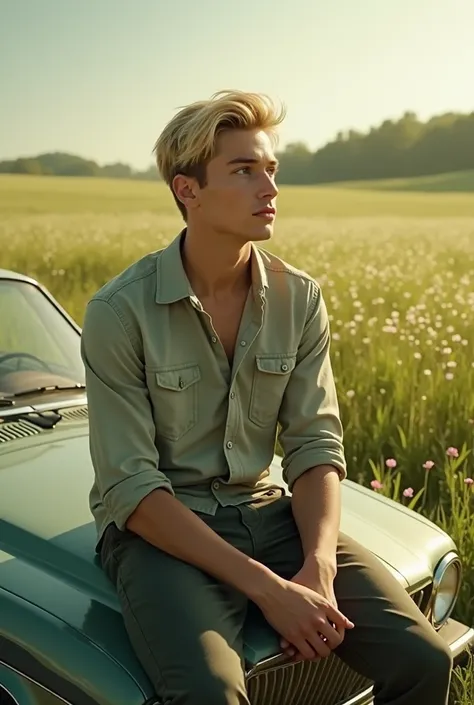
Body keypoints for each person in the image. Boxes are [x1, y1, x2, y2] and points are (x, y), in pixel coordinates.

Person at [81, 89, 453, 705]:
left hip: (269, 514)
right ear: (188, 191)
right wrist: (270, 591)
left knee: (424, 659)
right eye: (244, 170)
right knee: (209, 693)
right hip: (161, 535)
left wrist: (318, 568)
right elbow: (133, 491)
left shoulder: (299, 298)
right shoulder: (119, 311)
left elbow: (314, 445)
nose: (270, 188)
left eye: (271, 169)